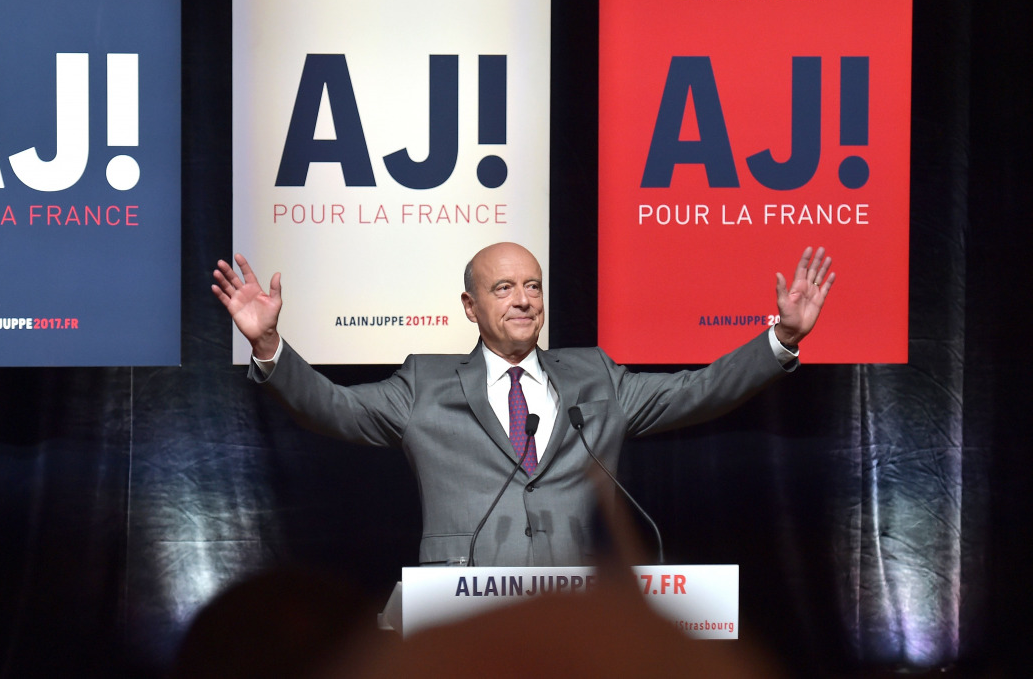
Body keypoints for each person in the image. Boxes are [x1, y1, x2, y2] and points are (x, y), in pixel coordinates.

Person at [211, 243, 833, 567]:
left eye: (532, 285)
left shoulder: (595, 377)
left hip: (578, 608)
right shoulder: (424, 384)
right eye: (503, 287)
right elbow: (334, 409)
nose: (523, 299)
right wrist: (268, 344)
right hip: (462, 607)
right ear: (470, 306)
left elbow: (695, 392)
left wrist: (781, 339)